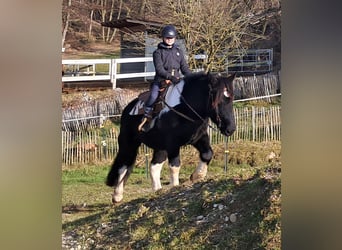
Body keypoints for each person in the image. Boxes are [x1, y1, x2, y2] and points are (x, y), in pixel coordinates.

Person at [139, 24, 192, 132]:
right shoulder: (157, 53)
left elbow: (184, 68)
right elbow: (160, 70)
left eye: (171, 38)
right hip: (161, 81)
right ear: (163, 38)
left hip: (177, 81)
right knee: (153, 96)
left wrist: (192, 78)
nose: (169, 40)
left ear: (175, 38)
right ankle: (147, 115)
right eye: (167, 38)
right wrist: (171, 77)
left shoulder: (179, 51)